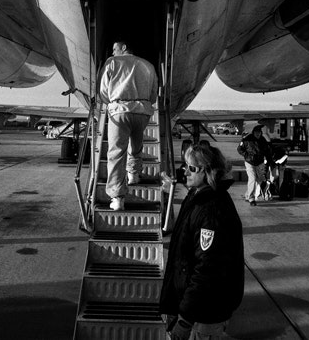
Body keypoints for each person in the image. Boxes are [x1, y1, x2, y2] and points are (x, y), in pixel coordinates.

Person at [159, 145, 244, 340]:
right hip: (196, 307)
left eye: (192, 168)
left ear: (208, 172)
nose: (185, 171)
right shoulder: (199, 194)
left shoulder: (212, 211)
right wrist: (172, 187)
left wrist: (185, 320)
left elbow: (207, 270)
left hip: (203, 313)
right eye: (185, 166)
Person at [99, 40, 158, 211]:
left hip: (120, 110)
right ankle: (133, 174)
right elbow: (154, 93)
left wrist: (111, 102)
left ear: (124, 48)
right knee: (136, 143)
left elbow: (103, 91)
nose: (112, 52)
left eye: (114, 48)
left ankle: (117, 197)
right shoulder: (148, 65)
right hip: (142, 112)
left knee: (117, 152)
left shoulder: (112, 62)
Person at [237, 125, 274, 205]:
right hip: (249, 162)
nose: (258, 134)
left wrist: (269, 162)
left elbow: (267, 151)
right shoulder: (247, 140)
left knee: (260, 179)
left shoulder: (263, 140)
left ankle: (247, 194)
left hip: (259, 163)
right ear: (253, 133)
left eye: (259, 133)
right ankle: (251, 199)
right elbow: (239, 149)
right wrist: (246, 155)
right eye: (256, 132)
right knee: (252, 178)